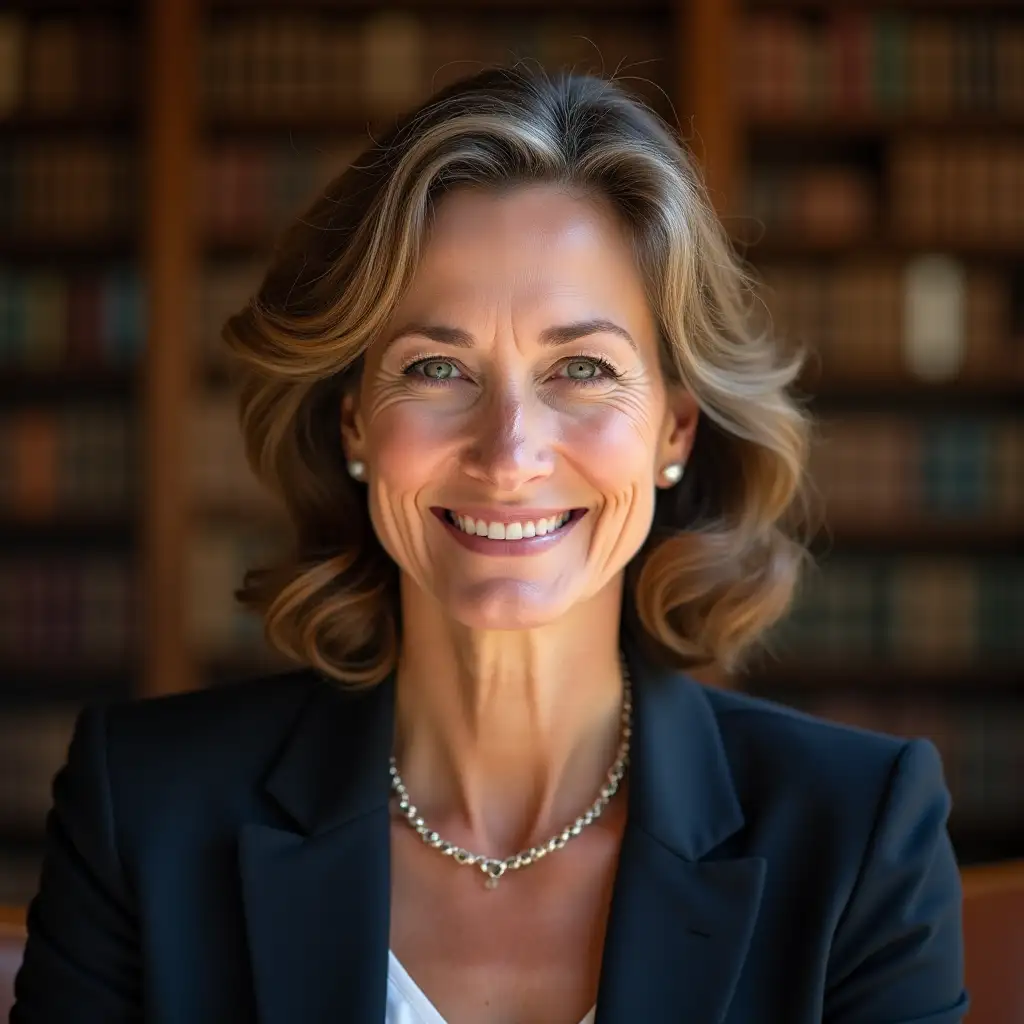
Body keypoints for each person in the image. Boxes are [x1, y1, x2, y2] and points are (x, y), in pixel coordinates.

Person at [12, 67, 967, 1024]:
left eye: (582, 369)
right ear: (353, 425)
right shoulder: (144, 812)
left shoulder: (859, 836)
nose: (508, 452)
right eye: (436, 367)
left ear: (675, 428)